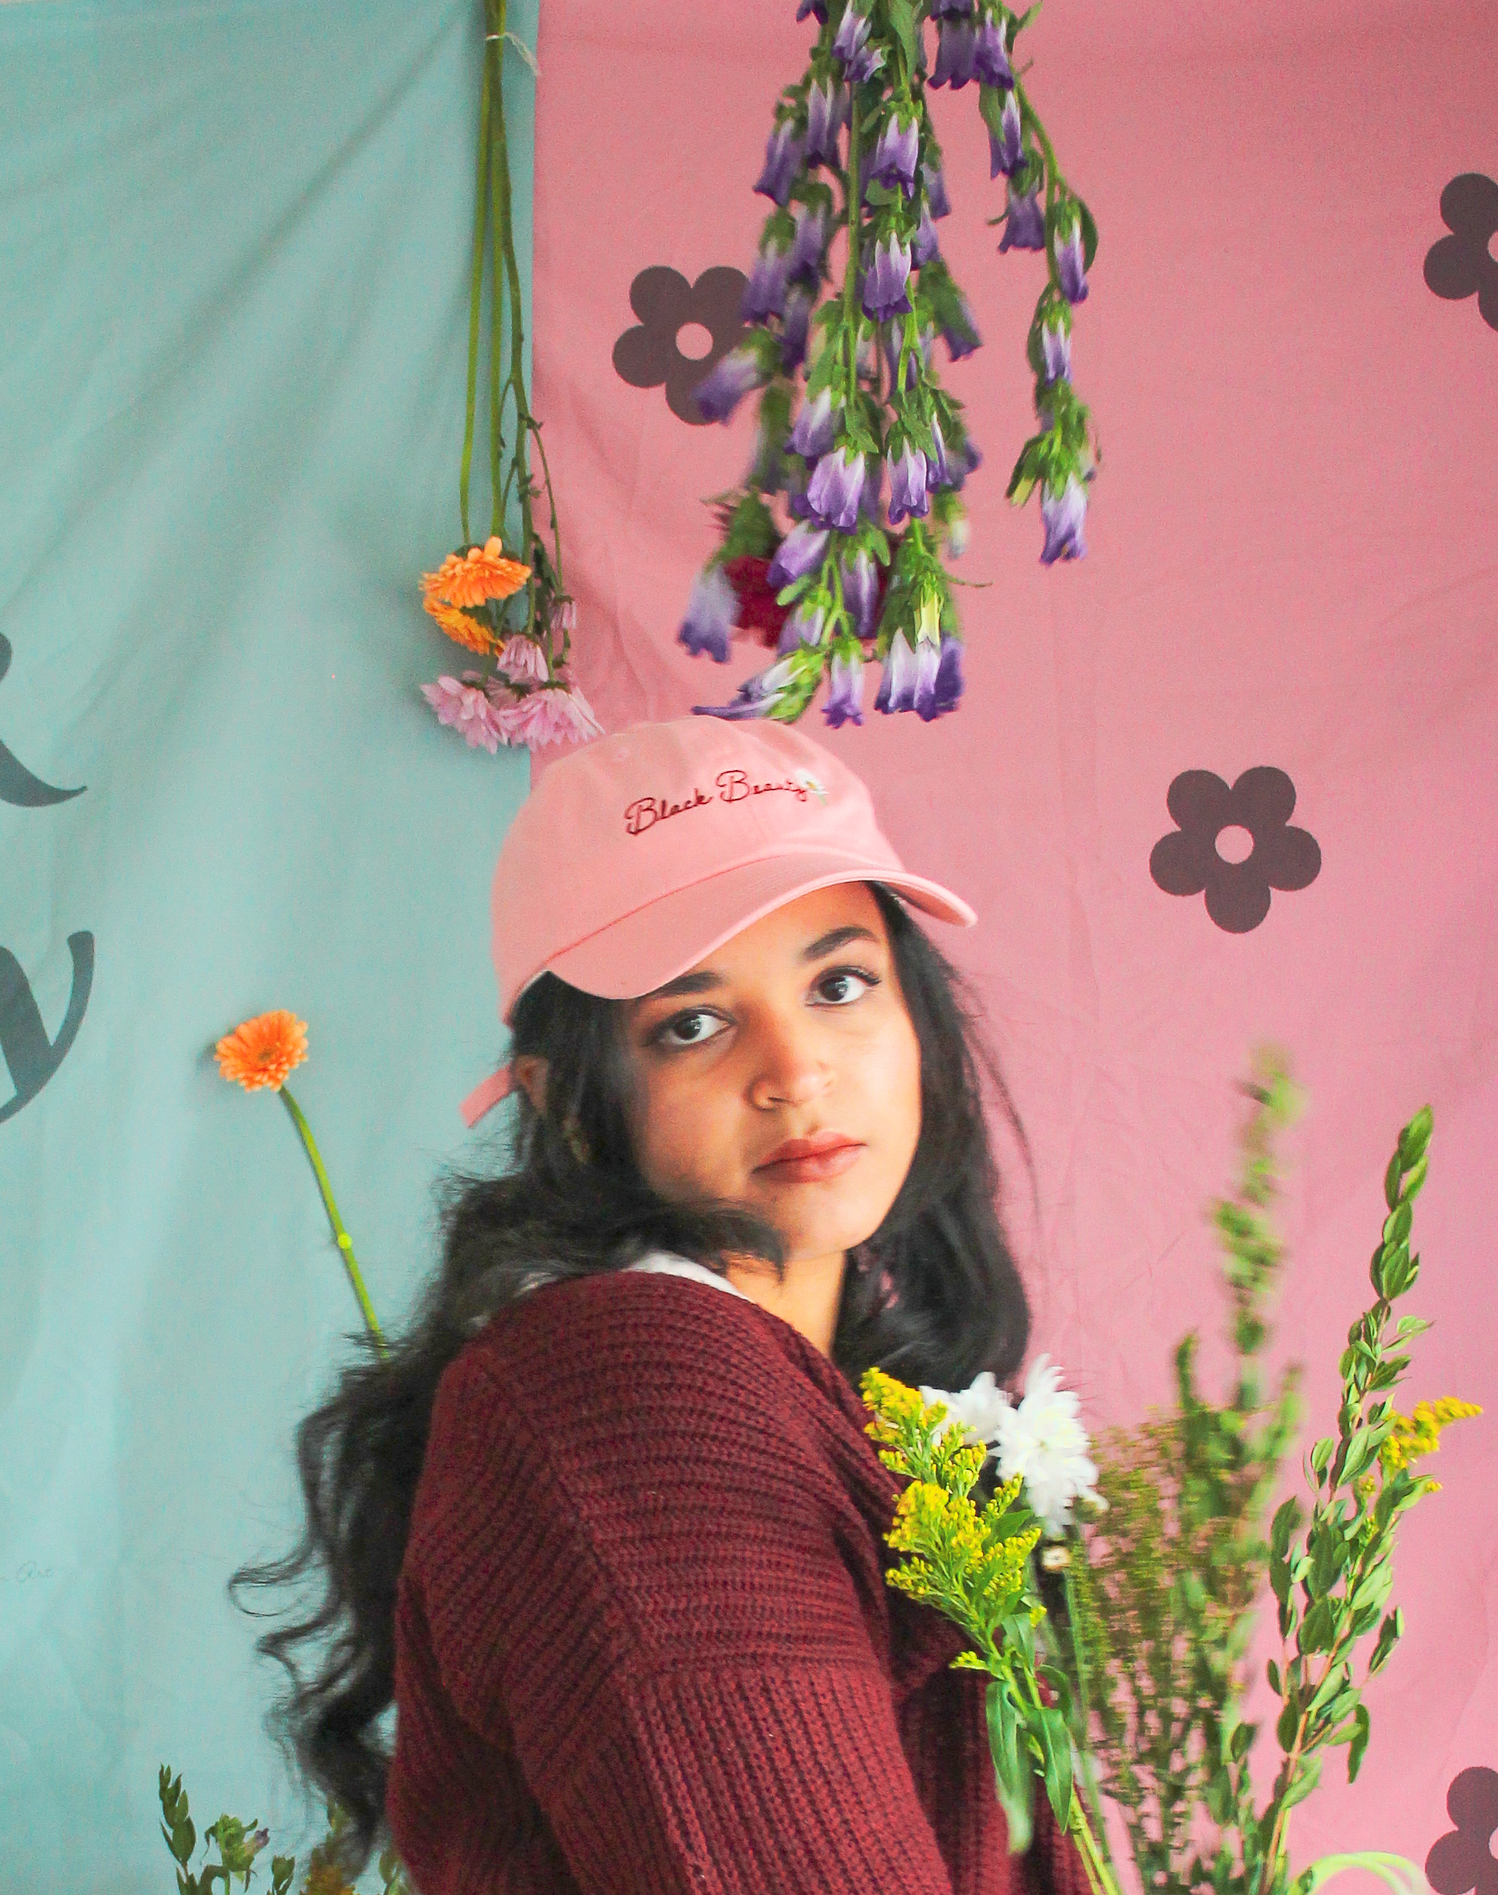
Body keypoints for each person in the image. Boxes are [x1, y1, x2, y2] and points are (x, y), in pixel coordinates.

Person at [237, 715, 1092, 1894]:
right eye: (691, 1022)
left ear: (920, 1024)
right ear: (573, 1105)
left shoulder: (846, 1396)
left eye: (840, 982)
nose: (796, 1069)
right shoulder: (632, 1389)